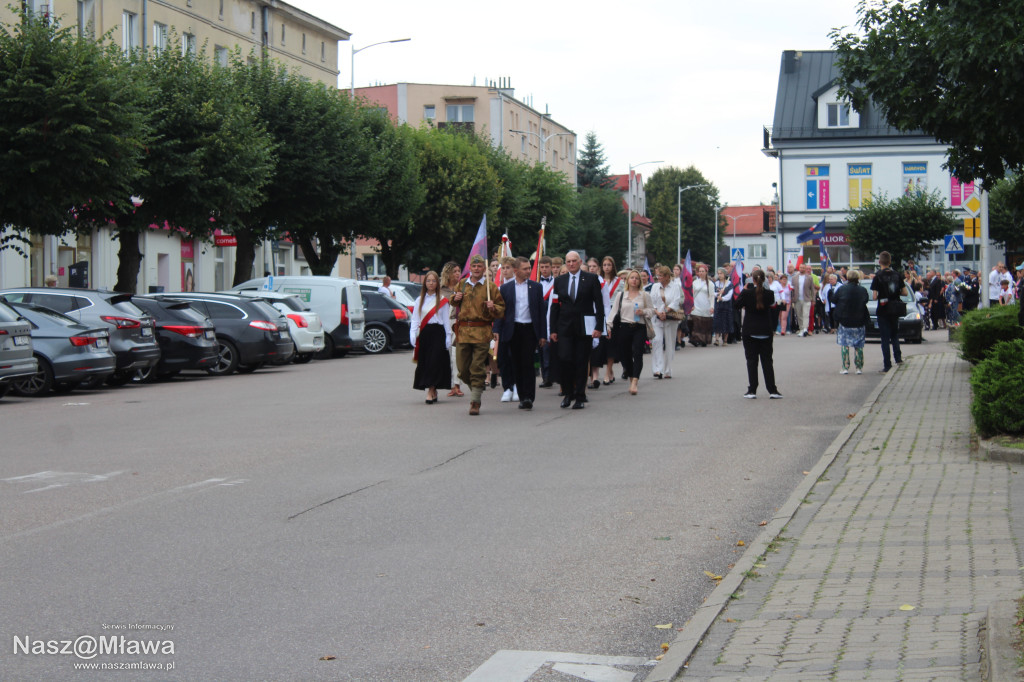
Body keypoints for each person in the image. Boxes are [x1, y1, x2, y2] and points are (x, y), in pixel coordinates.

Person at [549, 250, 604, 409]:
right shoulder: (559, 281)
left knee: (581, 362)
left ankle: (580, 396)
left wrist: (599, 327)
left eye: (574, 261)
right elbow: (555, 306)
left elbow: (599, 304)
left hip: (584, 327)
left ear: (580, 262)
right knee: (565, 360)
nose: (571, 264)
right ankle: (568, 393)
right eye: (568, 261)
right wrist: (553, 329)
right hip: (564, 327)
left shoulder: (591, 279)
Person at [452, 255, 505, 415]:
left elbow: (501, 309)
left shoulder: (490, 287)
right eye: (474, 266)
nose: (476, 269)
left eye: (479, 266)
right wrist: (455, 298)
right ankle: (477, 387)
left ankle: (475, 401)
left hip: (481, 331)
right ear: (470, 268)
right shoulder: (462, 284)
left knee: (477, 367)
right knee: (462, 369)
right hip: (463, 332)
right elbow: (453, 301)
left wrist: (493, 307)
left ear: (484, 268)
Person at [495, 257, 547, 410]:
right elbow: (501, 311)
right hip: (513, 329)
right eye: (525, 269)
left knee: (528, 363)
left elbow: (541, 313)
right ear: (516, 270)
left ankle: (529, 397)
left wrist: (542, 334)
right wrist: (496, 329)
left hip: (529, 329)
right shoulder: (506, 288)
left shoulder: (536, 287)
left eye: (529, 268)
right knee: (516, 363)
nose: (528, 271)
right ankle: (522, 396)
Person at [735, 269, 782, 399]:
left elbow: (736, 305)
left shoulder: (747, 293)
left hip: (750, 330)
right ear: (765, 279)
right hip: (765, 330)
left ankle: (752, 390)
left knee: (751, 361)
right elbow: (772, 305)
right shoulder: (770, 294)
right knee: (767, 361)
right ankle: (772, 390)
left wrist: (743, 291)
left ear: (753, 280)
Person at [607, 270, 653, 395]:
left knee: (638, 353)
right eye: (632, 278)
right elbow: (614, 312)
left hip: (639, 327)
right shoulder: (621, 295)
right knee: (624, 355)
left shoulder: (644, 295)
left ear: (640, 281)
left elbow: (651, 311)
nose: (634, 280)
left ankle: (635, 381)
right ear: (627, 280)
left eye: (636, 278)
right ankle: (631, 376)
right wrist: (608, 326)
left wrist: (643, 312)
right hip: (624, 326)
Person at [410, 271, 453, 404]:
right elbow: (415, 319)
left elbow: (446, 320)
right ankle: (432, 389)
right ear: (425, 283)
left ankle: (431, 390)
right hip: (425, 333)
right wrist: (412, 333)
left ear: (437, 283)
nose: (431, 283)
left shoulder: (442, 300)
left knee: (435, 362)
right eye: (428, 281)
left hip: (438, 333)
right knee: (426, 362)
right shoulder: (419, 300)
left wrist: (448, 336)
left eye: (434, 281)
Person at [870, 251, 908, 373]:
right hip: (895, 308)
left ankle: (887, 365)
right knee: (895, 334)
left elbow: (874, 296)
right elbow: (905, 292)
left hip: (883, 309)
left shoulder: (877, 276)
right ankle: (898, 358)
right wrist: (895, 293)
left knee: (885, 338)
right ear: (890, 262)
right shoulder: (897, 275)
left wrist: (882, 294)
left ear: (879, 262)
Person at [831, 269, 869, 375]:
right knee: (859, 345)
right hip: (859, 320)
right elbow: (866, 300)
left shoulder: (842, 289)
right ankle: (859, 368)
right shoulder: (862, 290)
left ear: (847, 277)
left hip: (845, 320)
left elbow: (833, 299)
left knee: (845, 344)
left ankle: (845, 367)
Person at [649, 265, 682, 379]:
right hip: (657, 318)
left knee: (669, 343)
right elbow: (651, 301)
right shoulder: (655, 287)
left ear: (667, 276)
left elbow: (676, 301)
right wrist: (658, 312)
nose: (659, 278)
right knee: (657, 341)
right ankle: (658, 369)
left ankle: (667, 370)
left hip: (670, 318)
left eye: (661, 276)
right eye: (658, 275)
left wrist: (666, 311)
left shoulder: (675, 286)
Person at [439, 261, 465, 398]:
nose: (457, 273)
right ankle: (450, 384)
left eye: (459, 271)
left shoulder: (462, 288)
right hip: (444, 324)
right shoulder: (441, 290)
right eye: (454, 271)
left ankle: (457, 385)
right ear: (448, 273)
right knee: (447, 355)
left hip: (458, 323)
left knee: (456, 355)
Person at [597, 256, 621, 385]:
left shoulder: (619, 282)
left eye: (609, 265)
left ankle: (608, 371)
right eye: (605, 265)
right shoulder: (598, 280)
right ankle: (610, 371)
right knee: (602, 344)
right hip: (601, 313)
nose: (607, 267)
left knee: (611, 343)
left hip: (614, 314)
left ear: (613, 266)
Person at [537, 256, 557, 388]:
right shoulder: (535, 282)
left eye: (547, 267)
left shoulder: (556, 282)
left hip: (550, 318)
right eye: (542, 267)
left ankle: (550, 376)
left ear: (551, 267)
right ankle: (545, 376)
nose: (544, 269)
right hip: (539, 319)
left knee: (549, 349)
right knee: (541, 349)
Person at [690, 264, 714, 346]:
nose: (701, 273)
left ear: (706, 272)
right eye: (699, 271)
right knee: (696, 323)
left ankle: (704, 340)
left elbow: (712, 296)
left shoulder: (710, 284)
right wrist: (691, 304)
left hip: (706, 305)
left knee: (704, 324)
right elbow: (692, 294)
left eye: (702, 271)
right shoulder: (695, 282)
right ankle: (695, 339)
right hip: (696, 304)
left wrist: (712, 306)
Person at [792, 263, 818, 336]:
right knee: (799, 315)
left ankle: (805, 329)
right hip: (797, 299)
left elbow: (812, 289)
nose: (802, 269)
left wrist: (813, 299)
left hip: (806, 299)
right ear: (799, 268)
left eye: (803, 268)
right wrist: (792, 298)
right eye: (801, 267)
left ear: (805, 269)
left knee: (806, 314)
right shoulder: (794, 278)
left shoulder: (809, 278)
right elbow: (792, 289)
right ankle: (801, 329)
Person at [712, 267, 734, 346]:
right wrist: (718, 294)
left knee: (726, 322)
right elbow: (712, 292)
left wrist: (723, 298)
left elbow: (730, 295)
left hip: (726, 306)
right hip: (718, 306)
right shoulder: (716, 283)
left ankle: (725, 340)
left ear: (724, 274)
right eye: (718, 273)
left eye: (721, 273)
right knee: (717, 322)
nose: (719, 275)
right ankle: (717, 339)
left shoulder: (729, 284)